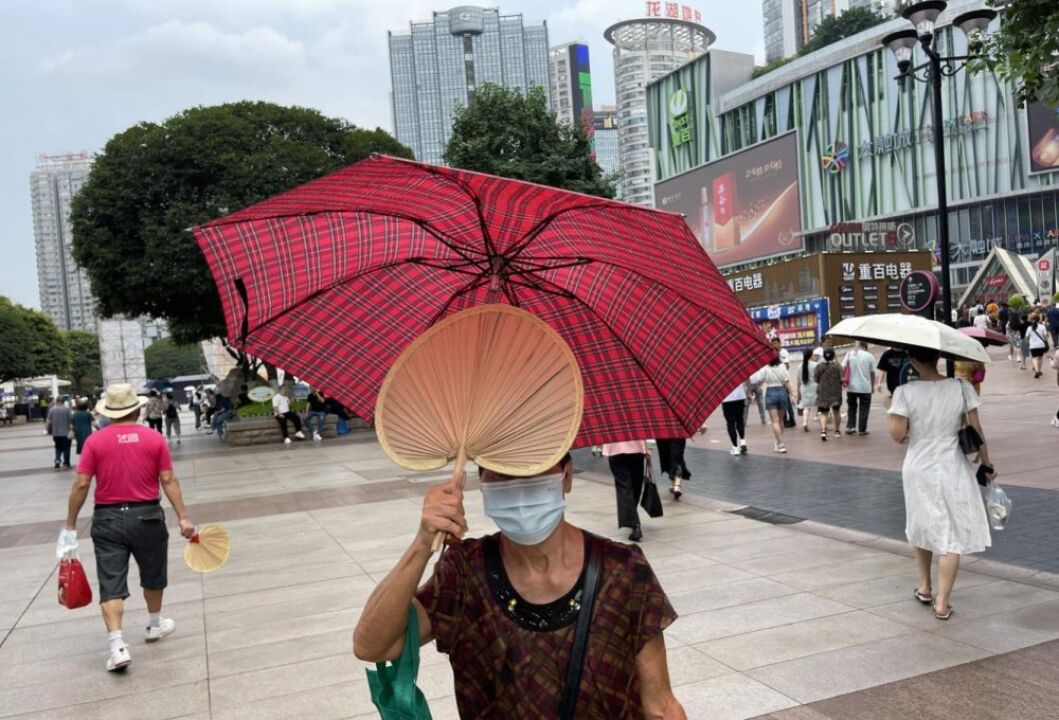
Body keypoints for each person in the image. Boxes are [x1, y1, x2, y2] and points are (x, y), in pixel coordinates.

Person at [352, 454, 685, 719]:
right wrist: (423, 542)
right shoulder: (465, 572)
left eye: (534, 466)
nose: (517, 482)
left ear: (566, 476)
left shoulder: (622, 569)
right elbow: (374, 645)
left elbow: (659, 706)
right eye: (498, 472)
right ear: (481, 483)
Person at [57, 384, 195, 672]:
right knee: (153, 573)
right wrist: (183, 517)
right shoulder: (154, 438)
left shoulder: (95, 441)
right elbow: (168, 480)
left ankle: (117, 646)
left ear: (109, 412)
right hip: (147, 516)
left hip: (106, 519)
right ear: (137, 408)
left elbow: (81, 484)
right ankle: (155, 625)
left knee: (111, 582)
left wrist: (70, 524)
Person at [886, 347, 994, 621]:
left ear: (912, 360)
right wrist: (986, 462)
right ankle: (942, 603)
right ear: (938, 357)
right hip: (952, 465)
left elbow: (897, 435)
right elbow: (977, 429)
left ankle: (924, 586)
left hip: (918, 465)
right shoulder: (960, 387)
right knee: (951, 533)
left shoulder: (904, 392)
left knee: (921, 522)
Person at [603, 441, 648, 541]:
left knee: (625, 486)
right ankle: (632, 517)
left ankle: (634, 523)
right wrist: (648, 449)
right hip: (637, 449)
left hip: (616, 449)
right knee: (636, 485)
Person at [750, 353, 792, 453]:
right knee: (781, 420)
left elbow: (758, 380)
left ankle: (780, 444)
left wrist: (751, 392)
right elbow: (787, 381)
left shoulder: (765, 367)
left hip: (770, 392)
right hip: (782, 392)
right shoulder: (782, 366)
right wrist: (792, 394)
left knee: (775, 421)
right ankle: (778, 442)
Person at [842, 342, 878, 435]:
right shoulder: (869, 356)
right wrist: (872, 386)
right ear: (866, 346)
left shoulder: (849, 354)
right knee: (864, 408)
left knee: (851, 407)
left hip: (851, 387)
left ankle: (850, 427)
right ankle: (862, 429)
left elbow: (843, 367)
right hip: (865, 387)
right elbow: (872, 373)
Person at [814, 348, 843, 441]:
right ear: (833, 355)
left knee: (823, 412)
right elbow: (841, 379)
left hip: (823, 391)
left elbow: (815, 379)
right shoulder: (838, 367)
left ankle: (823, 431)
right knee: (836, 411)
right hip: (835, 391)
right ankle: (837, 430)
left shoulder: (819, 366)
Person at [721, 382, 749, 455]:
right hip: (740, 397)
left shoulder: (720, 372)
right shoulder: (736, 370)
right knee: (740, 420)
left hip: (726, 398)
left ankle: (735, 447)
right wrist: (748, 393)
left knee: (730, 423)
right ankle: (743, 441)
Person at [798, 348, 821, 432]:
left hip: (804, 388)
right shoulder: (815, 365)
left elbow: (798, 381)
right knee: (820, 407)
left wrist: (798, 393)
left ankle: (805, 422)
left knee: (806, 407)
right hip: (815, 387)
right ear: (811, 355)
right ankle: (823, 425)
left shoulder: (799, 366)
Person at [46, 398, 73, 469]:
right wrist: (72, 429)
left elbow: (48, 421)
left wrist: (47, 430)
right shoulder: (66, 409)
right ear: (63, 402)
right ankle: (66, 463)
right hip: (66, 433)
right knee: (66, 448)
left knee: (58, 447)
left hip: (56, 433)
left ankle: (57, 459)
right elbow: (70, 421)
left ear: (56, 401)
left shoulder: (52, 409)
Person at [1026, 313, 1050, 379]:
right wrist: (1046, 341)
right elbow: (1046, 336)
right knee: (1040, 358)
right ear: (1038, 319)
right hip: (1041, 345)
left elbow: (1026, 337)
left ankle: (1036, 370)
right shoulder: (1042, 327)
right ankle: (1039, 370)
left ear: (1031, 320)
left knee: (1034, 358)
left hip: (1033, 346)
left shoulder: (1029, 328)